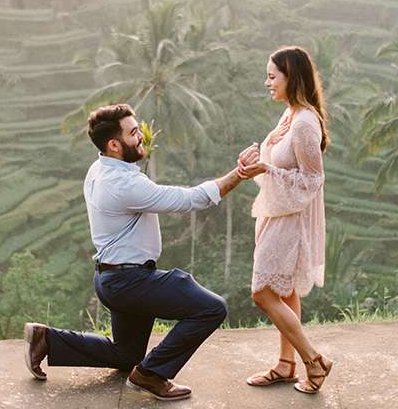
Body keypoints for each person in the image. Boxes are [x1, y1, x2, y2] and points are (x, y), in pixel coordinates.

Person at [24, 103, 247, 401]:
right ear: (114, 144)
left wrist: (138, 149)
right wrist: (240, 174)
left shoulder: (100, 166)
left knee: (126, 354)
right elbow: (189, 200)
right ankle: (151, 375)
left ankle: (47, 339)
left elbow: (134, 167)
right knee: (212, 308)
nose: (141, 136)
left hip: (111, 279)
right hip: (131, 282)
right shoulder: (123, 184)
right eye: (133, 133)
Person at [236, 46, 333, 394]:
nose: (267, 82)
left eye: (272, 76)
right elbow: (277, 162)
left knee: (262, 293)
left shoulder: (306, 122)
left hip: (290, 221)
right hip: (276, 214)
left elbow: (312, 179)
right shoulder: (289, 115)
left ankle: (313, 360)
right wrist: (256, 163)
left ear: (292, 77)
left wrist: (268, 168)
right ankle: (286, 364)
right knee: (284, 290)